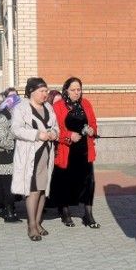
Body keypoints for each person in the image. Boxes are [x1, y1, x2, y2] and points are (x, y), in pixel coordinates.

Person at [11, 78, 59, 241]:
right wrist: (37, 134)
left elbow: (56, 126)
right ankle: (31, 225)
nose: (45, 94)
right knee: (33, 188)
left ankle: (38, 223)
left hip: (46, 152)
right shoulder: (21, 107)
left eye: (46, 91)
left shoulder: (48, 107)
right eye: (42, 91)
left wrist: (54, 133)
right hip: (31, 153)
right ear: (31, 91)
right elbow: (15, 130)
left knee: (43, 188)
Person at [50, 77, 99, 228]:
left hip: (85, 150)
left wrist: (92, 130)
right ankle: (65, 213)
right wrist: (68, 136)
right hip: (67, 150)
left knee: (88, 182)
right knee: (65, 181)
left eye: (79, 89)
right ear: (66, 90)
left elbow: (93, 123)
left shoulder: (86, 104)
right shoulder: (58, 106)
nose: (76, 93)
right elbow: (55, 129)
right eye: (73, 90)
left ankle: (88, 214)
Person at [0, 92, 22, 223]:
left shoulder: (12, 117)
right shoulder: (1, 117)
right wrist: (17, 142)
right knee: (6, 186)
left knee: (9, 186)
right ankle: (9, 213)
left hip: (9, 157)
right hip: (2, 158)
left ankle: (7, 209)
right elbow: (0, 140)